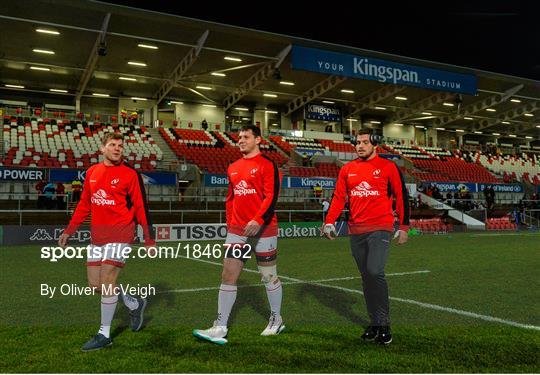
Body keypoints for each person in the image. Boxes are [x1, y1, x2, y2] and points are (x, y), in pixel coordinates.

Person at [58, 133, 155, 352]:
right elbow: (84, 205)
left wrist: (149, 238)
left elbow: (141, 207)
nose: (117, 148)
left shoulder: (130, 175)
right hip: (97, 237)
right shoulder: (92, 172)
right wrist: (69, 231)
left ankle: (104, 333)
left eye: (120, 145)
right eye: (112, 145)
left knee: (108, 281)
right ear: (102, 149)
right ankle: (134, 303)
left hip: (121, 234)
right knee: (96, 285)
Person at [193, 124, 283, 345]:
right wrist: (230, 223)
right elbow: (231, 198)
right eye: (239, 137)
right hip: (238, 231)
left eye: (246, 137)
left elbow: (271, 196)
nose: (240, 140)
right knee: (228, 275)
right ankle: (220, 327)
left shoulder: (267, 165)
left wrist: (258, 220)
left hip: (264, 230)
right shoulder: (233, 167)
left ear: (258, 140)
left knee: (268, 276)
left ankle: (276, 319)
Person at [322, 129, 409, 345]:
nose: (359, 146)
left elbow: (401, 196)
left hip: (381, 227)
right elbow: (338, 197)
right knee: (366, 278)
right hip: (356, 230)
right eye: (357, 142)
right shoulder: (347, 169)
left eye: (364, 142)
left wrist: (404, 226)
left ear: (375, 144)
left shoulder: (388, 167)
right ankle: (375, 322)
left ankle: (384, 323)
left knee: (374, 271)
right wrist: (329, 222)